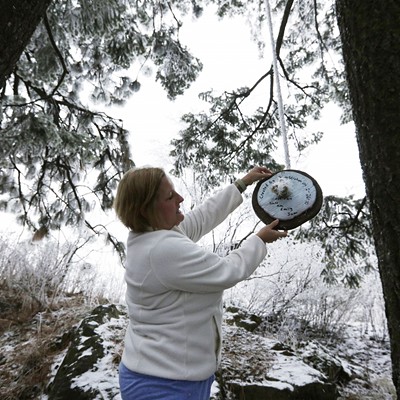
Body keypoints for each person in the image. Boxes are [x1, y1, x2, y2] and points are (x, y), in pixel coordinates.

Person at [113, 165, 288, 400]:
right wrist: (259, 240)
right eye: (170, 196)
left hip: (172, 374)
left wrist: (241, 184)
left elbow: (201, 217)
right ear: (147, 210)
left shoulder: (151, 235)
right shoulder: (162, 250)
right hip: (162, 385)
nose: (180, 198)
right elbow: (227, 271)